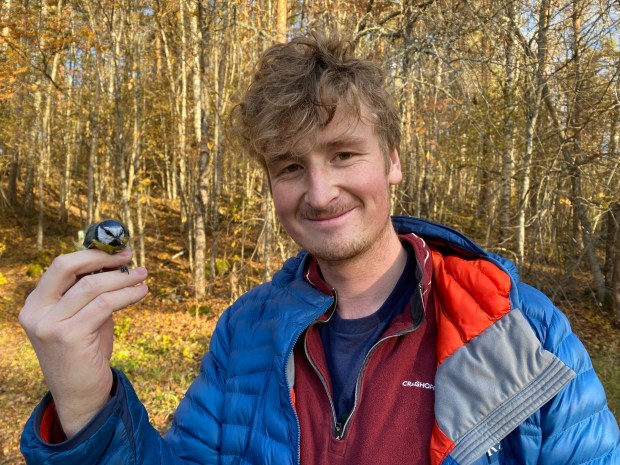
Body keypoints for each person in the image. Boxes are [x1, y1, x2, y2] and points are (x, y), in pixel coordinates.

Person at [19, 32, 619, 465]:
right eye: (289, 166)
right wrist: (85, 402)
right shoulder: (245, 333)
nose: (320, 192)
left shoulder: (518, 325)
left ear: (393, 162)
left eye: (343, 154)